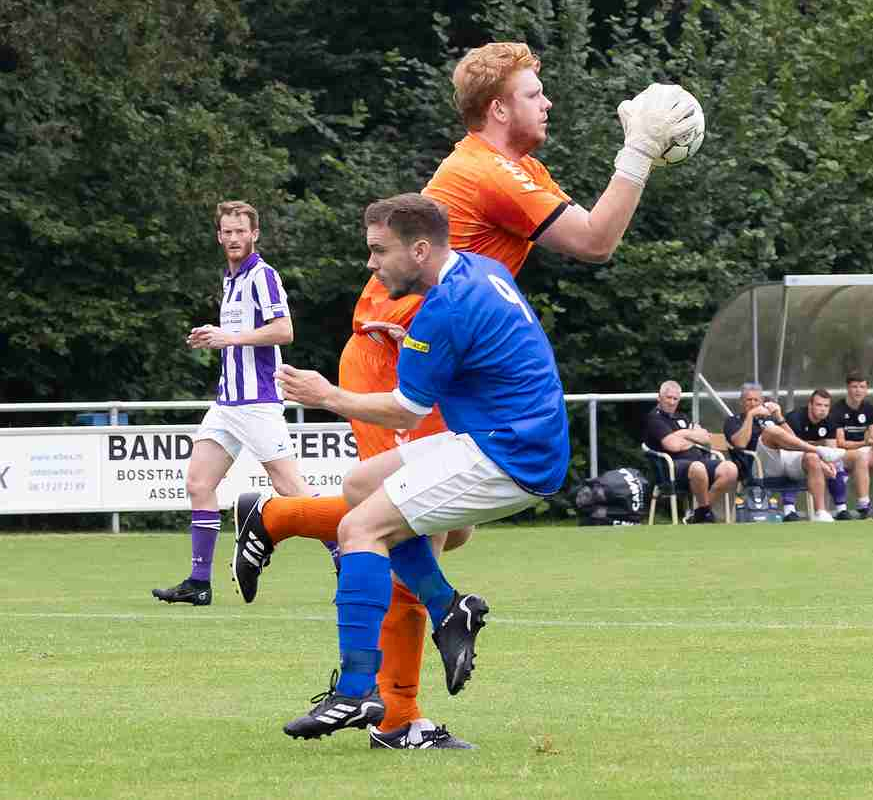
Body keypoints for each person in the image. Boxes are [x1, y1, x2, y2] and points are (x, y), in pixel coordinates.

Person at [233, 45, 701, 748]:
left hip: (432, 362)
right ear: (498, 108)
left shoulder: (517, 170)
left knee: (437, 527)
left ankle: (277, 517)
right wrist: (635, 151)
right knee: (393, 527)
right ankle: (396, 715)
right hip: (394, 356)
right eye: (535, 93)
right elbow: (598, 239)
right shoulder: (486, 170)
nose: (548, 103)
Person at [263, 194, 571, 744]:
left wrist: (327, 394)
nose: (372, 265)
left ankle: (358, 689)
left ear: (421, 249)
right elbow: (483, 352)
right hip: (505, 436)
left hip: (509, 453)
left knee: (359, 529)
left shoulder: (443, 311)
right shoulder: (481, 270)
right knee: (360, 486)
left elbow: (406, 409)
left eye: (380, 251)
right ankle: (447, 607)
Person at [151, 202, 314, 607]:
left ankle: (349, 563)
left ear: (254, 233)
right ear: (219, 235)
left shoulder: (263, 276)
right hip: (228, 402)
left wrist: (231, 339)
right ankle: (199, 583)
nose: (234, 238)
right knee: (199, 483)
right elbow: (237, 334)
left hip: (257, 401)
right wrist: (212, 335)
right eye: (227, 231)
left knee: (290, 489)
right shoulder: (230, 279)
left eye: (241, 231)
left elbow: (284, 330)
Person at [723, 382, 846, 522]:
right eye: (748, 400)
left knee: (811, 458)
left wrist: (779, 417)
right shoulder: (733, 421)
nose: (752, 403)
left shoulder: (769, 419)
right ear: (741, 402)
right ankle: (819, 450)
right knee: (770, 431)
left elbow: (793, 441)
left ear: (762, 402)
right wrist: (751, 416)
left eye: (756, 400)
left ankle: (821, 512)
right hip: (756, 466)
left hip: (781, 459)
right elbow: (740, 443)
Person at [642, 380, 740, 523]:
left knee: (730, 469)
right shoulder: (654, 419)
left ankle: (700, 512)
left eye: (675, 399)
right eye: (668, 397)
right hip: (671, 468)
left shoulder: (681, 417)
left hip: (698, 461)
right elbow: (673, 446)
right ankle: (705, 513)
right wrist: (690, 435)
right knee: (698, 468)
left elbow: (705, 438)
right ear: (659, 397)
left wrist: (682, 434)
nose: (671, 402)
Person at [780, 388, 861, 521]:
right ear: (810, 405)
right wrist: (822, 463)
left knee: (836, 466)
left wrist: (830, 464)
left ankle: (841, 510)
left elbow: (831, 449)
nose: (823, 409)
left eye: (826, 406)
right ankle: (789, 511)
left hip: (815, 457)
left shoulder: (830, 420)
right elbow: (794, 448)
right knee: (799, 466)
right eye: (819, 405)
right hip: (791, 457)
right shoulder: (795, 418)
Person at [827, 372, 873, 520]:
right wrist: (865, 443)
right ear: (848, 388)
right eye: (855, 386)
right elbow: (839, 443)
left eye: (862, 387)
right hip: (842, 453)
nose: (858, 390)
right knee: (861, 457)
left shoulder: (869, 409)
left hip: (864, 451)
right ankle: (864, 506)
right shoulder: (837, 410)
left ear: (867, 389)